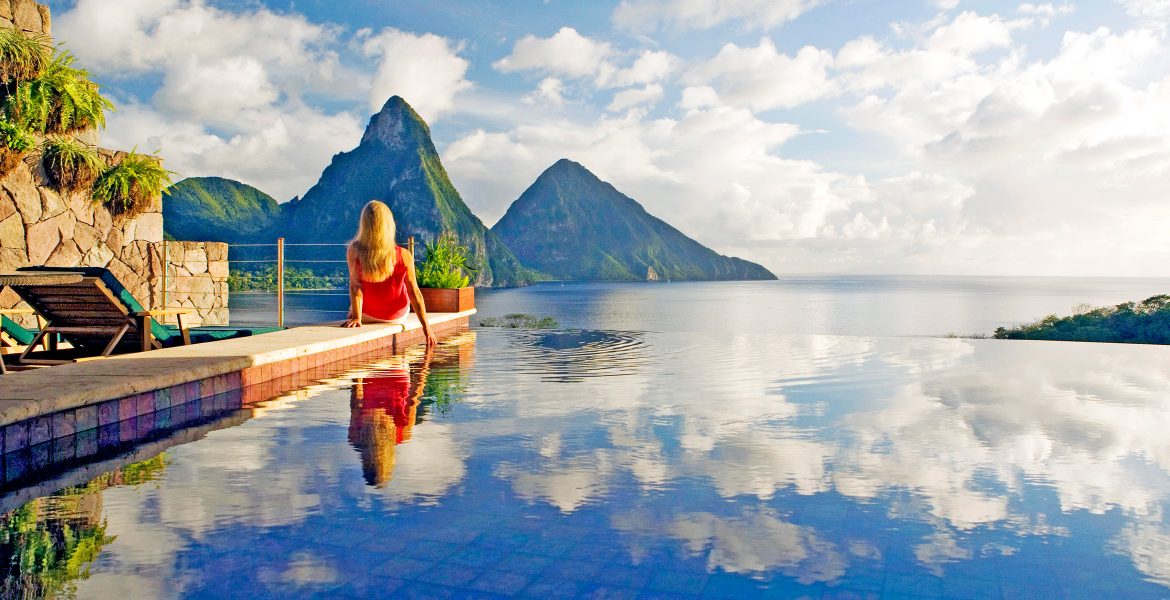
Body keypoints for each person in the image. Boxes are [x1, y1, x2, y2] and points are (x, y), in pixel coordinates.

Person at [343, 200, 436, 348]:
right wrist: (426, 328)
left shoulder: (354, 250)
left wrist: (356, 318)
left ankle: (355, 315)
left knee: (350, 311)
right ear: (389, 225)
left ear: (364, 224)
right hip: (397, 316)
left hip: (368, 315)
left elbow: (355, 287)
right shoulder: (404, 255)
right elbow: (414, 292)